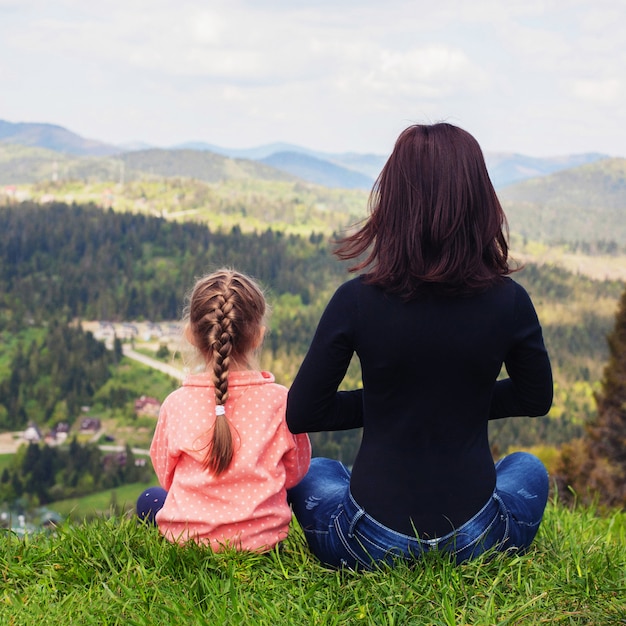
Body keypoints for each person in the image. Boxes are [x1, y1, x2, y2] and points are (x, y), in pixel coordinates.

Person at [286, 123, 553, 570]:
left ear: (393, 202)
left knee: (316, 472)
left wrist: (395, 404)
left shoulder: (355, 300)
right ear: (479, 201)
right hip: (477, 537)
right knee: (527, 466)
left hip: (368, 541)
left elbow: (303, 413)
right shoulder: (510, 301)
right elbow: (534, 398)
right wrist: (452, 404)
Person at [137, 268, 311, 552]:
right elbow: (294, 474)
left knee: (150, 498)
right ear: (258, 337)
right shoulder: (281, 401)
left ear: (191, 335)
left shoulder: (176, 404)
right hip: (264, 542)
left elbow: (166, 477)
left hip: (188, 541)